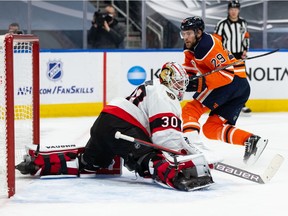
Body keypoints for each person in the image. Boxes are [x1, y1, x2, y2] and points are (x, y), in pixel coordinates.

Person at [16, 61, 214, 192]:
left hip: (105, 122)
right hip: (124, 128)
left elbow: (164, 131)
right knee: (150, 160)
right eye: (178, 83)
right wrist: (183, 157)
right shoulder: (165, 94)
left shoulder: (152, 87)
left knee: (90, 162)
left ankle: (38, 162)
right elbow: (165, 140)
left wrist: (185, 143)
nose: (180, 88)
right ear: (169, 80)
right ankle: (178, 177)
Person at [179, 16, 268, 165]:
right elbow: (190, 67)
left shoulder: (208, 46)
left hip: (230, 83)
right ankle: (251, 141)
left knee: (190, 110)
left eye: (189, 33)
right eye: (184, 34)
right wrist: (185, 82)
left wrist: (199, 83)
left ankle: (193, 147)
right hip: (240, 87)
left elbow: (226, 74)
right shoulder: (191, 46)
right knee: (211, 128)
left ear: (199, 32)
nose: (185, 37)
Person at [213, 0, 252, 115]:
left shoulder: (243, 23)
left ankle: (241, 105)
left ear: (238, 10)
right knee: (225, 80)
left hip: (239, 56)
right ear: (228, 10)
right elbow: (216, 41)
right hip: (226, 57)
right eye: (231, 9)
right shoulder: (222, 24)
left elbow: (246, 38)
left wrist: (245, 50)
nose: (233, 11)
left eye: (236, 9)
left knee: (241, 80)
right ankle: (221, 104)